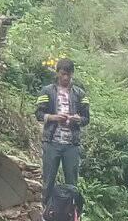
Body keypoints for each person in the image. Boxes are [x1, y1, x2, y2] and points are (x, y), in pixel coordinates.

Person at [36, 58, 89, 205]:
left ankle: (70, 215)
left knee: (72, 183)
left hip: (72, 144)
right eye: (63, 74)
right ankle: (44, 213)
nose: (65, 77)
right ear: (58, 73)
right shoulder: (46, 91)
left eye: (68, 74)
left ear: (72, 74)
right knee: (48, 181)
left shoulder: (80, 94)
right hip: (52, 142)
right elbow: (39, 115)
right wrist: (54, 117)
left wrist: (77, 119)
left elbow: (86, 118)